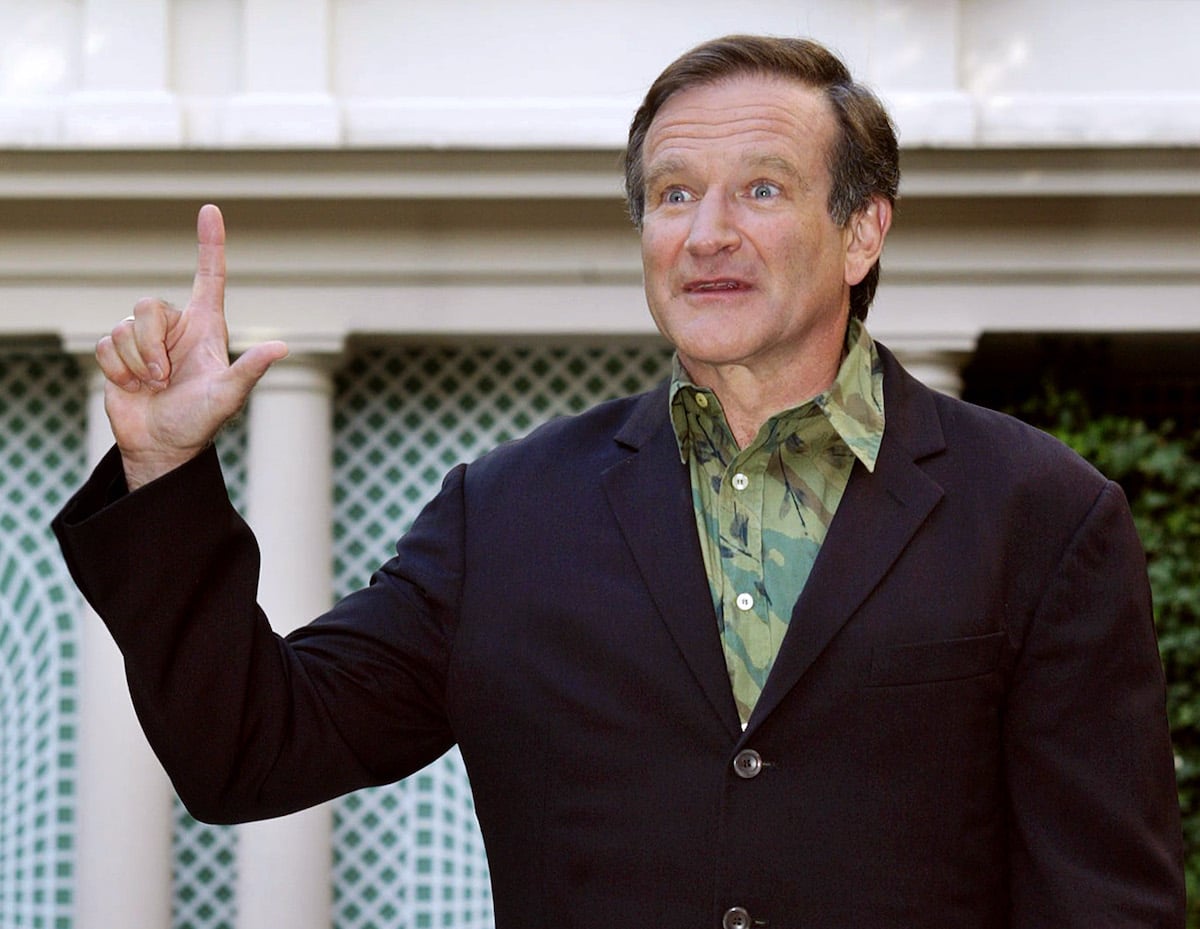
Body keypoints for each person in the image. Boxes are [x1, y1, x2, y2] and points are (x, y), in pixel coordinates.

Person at [53, 34, 1184, 929]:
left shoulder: (1043, 514)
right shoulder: (505, 515)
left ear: (861, 232)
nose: (708, 234)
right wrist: (165, 465)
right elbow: (249, 746)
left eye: (762, 189)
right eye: (675, 194)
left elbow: (1106, 903)